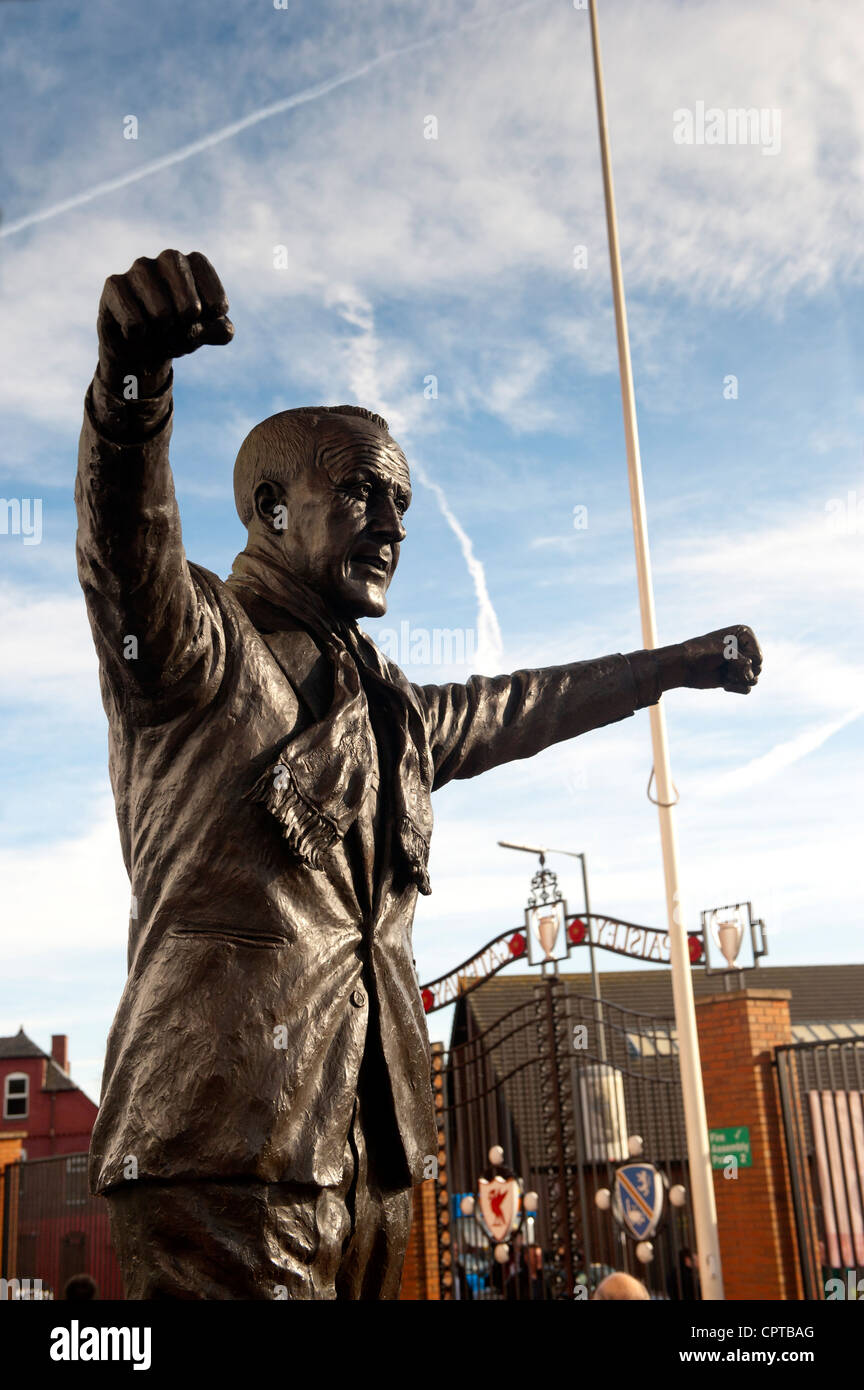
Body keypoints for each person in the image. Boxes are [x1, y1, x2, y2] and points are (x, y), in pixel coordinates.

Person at [76, 249, 763, 1300]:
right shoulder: (193, 650)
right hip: (221, 1147)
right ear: (269, 511)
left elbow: (523, 705)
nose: (394, 528)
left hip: (374, 1160)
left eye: (399, 500)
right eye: (359, 494)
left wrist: (671, 666)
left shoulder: (392, 710)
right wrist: (133, 385)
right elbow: (126, 541)